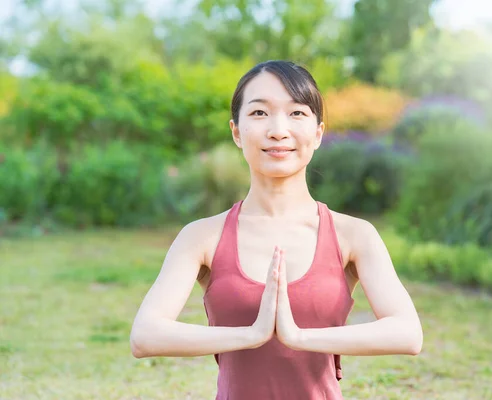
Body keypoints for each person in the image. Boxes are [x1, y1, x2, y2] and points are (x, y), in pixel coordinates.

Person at [130, 60, 423, 400]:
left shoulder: (354, 235)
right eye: (259, 113)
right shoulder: (201, 237)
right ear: (237, 132)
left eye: (296, 113)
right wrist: (251, 334)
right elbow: (145, 335)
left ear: (317, 133)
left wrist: (299, 337)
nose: (278, 130)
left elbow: (407, 333)